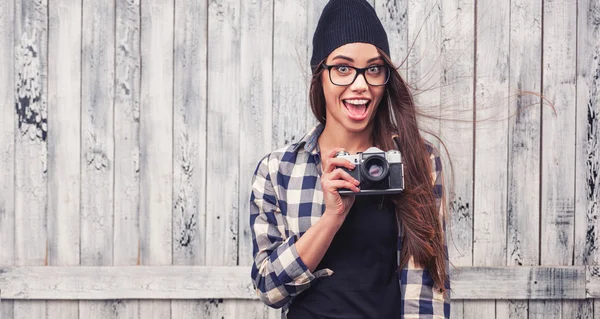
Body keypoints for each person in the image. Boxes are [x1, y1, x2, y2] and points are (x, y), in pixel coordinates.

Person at [249, 0, 450, 317]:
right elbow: (269, 289)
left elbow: (425, 292)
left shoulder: (418, 159)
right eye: (342, 68)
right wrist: (332, 218)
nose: (360, 85)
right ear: (320, 76)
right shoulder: (278, 170)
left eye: (373, 69)